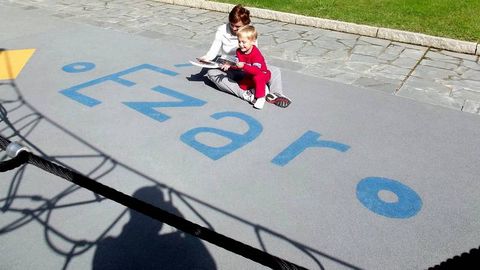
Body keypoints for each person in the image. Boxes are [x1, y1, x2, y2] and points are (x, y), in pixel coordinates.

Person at [198, 4, 292, 108]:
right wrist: (206, 58)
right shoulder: (222, 30)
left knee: (274, 70)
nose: (234, 28)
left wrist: (243, 66)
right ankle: (247, 95)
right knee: (212, 73)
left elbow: (253, 56)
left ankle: (276, 94)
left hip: (247, 69)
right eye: (231, 24)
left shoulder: (250, 33)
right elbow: (213, 50)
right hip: (229, 68)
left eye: (237, 26)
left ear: (246, 25)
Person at [221, 25, 270, 109]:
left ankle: (261, 97)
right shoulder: (239, 52)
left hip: (262, 73)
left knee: (258, 78)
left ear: (253, 41)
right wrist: (230, 64)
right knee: (242, 86)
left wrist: (244, 66)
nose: (241, 44)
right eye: (239, 41)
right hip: (249, 75)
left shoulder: (256, 54)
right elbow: (238, 64)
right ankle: (260, 88)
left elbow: (256, 70)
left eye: (244, 42)